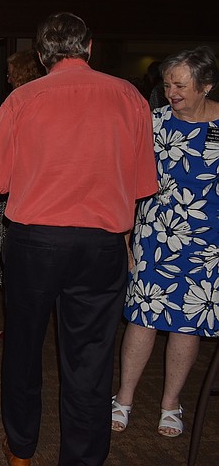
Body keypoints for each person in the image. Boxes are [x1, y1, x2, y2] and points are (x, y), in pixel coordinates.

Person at [0, 12, 157, 466]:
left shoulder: (22, 100)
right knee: (90, 362)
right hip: (102, 245)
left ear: (41, 56)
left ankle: (21, 448)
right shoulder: (129, 97)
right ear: (89, 47)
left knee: (23, 348)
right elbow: (141, 184)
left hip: (36, 243)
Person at [111, 46, 219, 439]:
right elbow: (127, 184)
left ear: (206, 86)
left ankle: (171, 403)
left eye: (181, 85)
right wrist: (124, 236)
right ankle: (123, 397)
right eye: (168, 83)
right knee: (143, 318)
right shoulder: (153, 122)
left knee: (188, 322)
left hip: (210, 241)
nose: (171, 91)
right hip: (156, 234)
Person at [0, 49, 44, 288]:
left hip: (15, 193)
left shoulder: (19, 102)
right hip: (24, 192)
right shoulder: (36, 100)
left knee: (16, 260)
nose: (7, 78)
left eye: (10, 73)